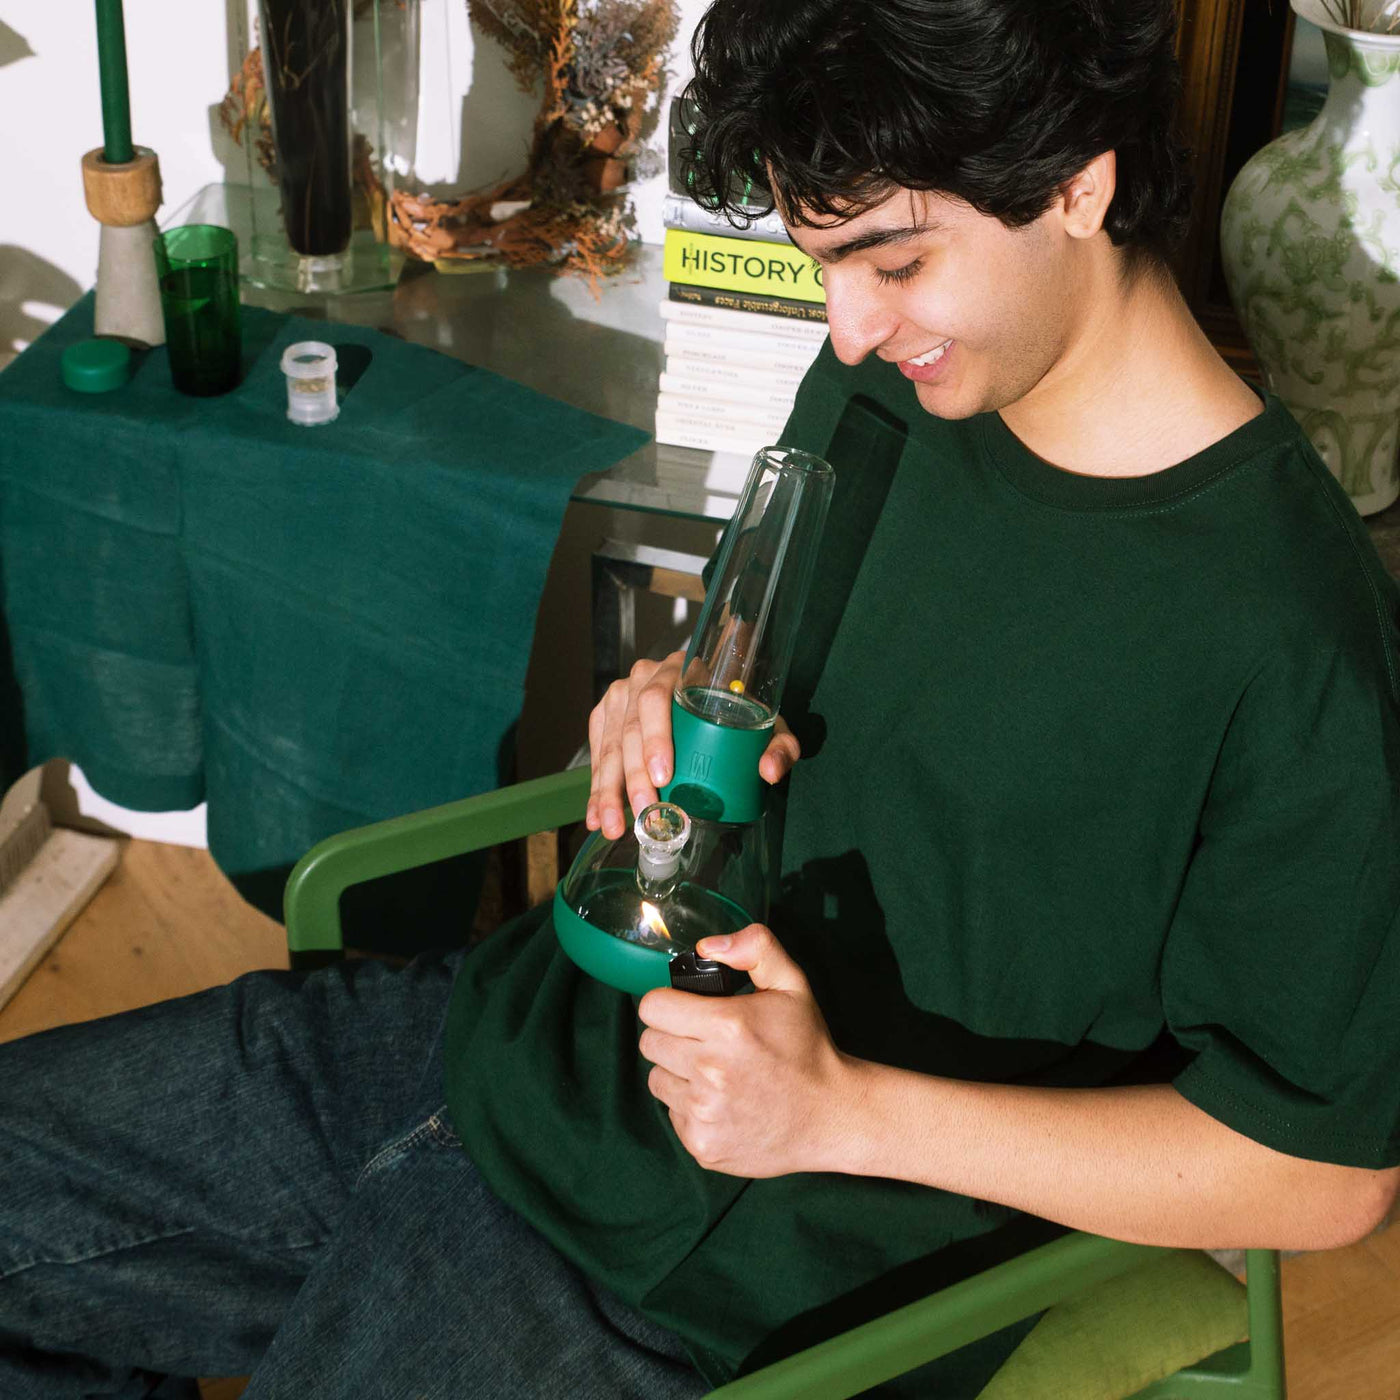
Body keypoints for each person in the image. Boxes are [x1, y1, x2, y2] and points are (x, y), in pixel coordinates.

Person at [3, 0, 1398, 1395]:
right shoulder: (903, 390)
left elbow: (1322, 1174)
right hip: (521, 1038)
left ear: (1078, 181)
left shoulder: (1290, 640)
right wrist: (661, 693)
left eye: (893, 262)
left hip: (732, 1254)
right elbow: (777, 675)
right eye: (823, 270)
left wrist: (838, 1112)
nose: (848, 332)